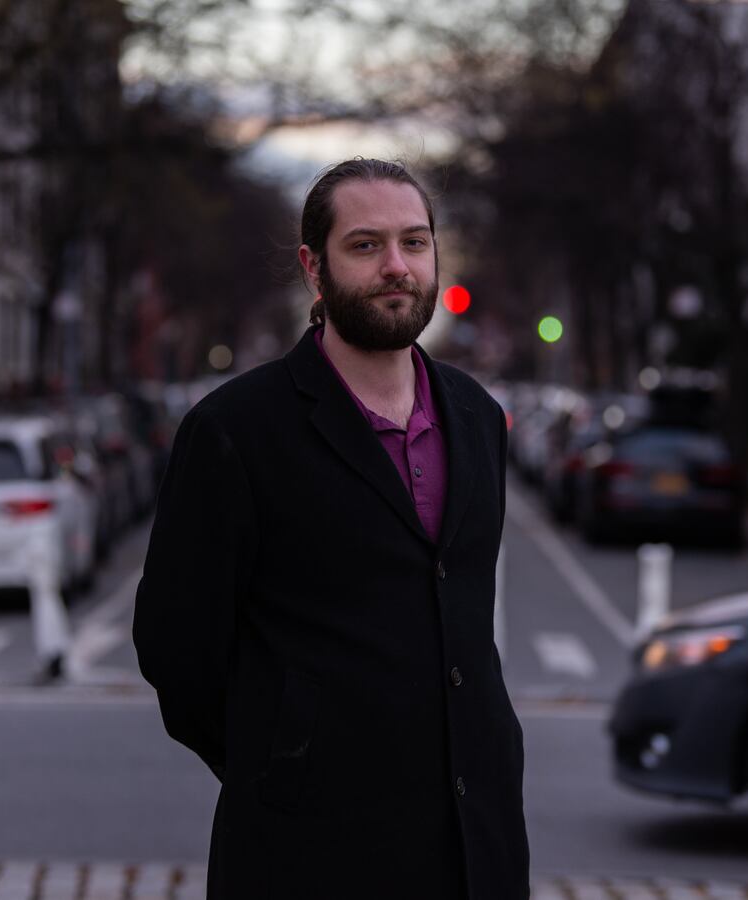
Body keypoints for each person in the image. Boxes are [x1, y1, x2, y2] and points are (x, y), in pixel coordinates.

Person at [133, 158, 529, 899]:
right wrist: (284, 760)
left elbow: (463, 617)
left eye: (415, 242)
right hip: (308, 855)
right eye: (365, 244)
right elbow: (176, 650)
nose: (396, 266)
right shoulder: (234, 430)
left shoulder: (477, 416)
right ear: (314, 268)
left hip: (479, 845)